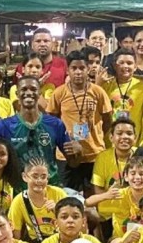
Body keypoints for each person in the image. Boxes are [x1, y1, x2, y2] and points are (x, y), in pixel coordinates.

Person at [0, 76, 82, 187]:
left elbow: (73, 163)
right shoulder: (4, 126)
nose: (29, 93)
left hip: (49, 187)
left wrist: (79, 152)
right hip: (18, 190)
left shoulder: (55, 124)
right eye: (24, 89)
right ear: (17, 94)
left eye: (33, 89)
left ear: (39, 93)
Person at [47, 50, 112, 192]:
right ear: (68, 70)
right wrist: (64, 140)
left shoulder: (98, 92)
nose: (78, 72)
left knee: (94, 196)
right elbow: (52, 121)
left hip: (94, 153)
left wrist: (95, 135)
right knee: (67, 195)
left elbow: (108, 120)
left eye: (82, 68)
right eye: (74, 68)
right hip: (67, 155)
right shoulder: (59, 93)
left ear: (88, 69)